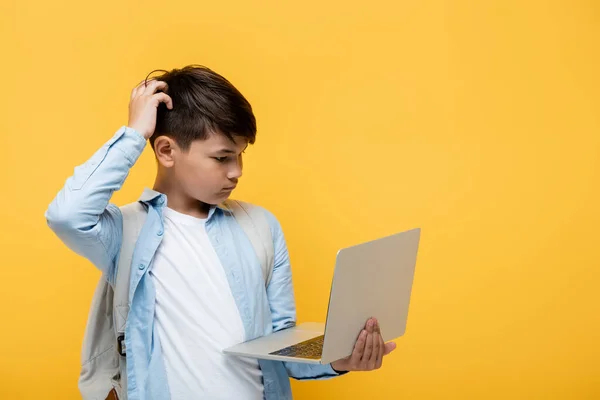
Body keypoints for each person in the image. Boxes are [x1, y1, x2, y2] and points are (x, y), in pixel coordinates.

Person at [46, 65, 396, 400]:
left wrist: (338, 359)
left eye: (241, 155)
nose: (237, 171)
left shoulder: (261, 226)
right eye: (222, 157)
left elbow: (280, 343)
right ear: (166, 150)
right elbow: (67, 215)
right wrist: (135, 133)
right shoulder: (125, 232)